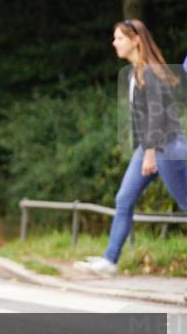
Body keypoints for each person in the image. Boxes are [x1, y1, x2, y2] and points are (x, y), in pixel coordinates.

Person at [75, 19, 187, 276]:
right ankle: (110, 261)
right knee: (124, 199)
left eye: (119, 38)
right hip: (148, 146)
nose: (114, 43)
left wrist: (150, 153)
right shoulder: (137, 72)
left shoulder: (150, 71)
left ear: (136, 39)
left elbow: (157, 116)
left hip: (165, 148)